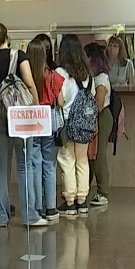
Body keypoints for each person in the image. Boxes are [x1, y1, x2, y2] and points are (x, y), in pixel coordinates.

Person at [0, 22, 45, 228]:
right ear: (8, 37)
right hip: (22, 117)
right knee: (24, 166)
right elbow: (30, 83)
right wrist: (36, 109)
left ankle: (0, 217)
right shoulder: (19, 56)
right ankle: (29, 215)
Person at [56, 35, 105, 217]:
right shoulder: (88, 74)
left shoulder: (61, 73)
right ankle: (82, 201)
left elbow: (60, 101)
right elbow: (91, 97)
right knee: (82, 161)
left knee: (67, 161)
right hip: (85, 125)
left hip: (68, 124)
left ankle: (70, 202)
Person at [27, 36, 65, 221]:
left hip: (32, 118)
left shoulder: (25, 75)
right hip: (49, 118)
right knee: (50, 164)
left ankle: (37, 207)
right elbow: (61, 102)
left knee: (35, 163)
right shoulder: (53, 76)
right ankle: (51, 207)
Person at [85, 41, 113, 208]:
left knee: (98, 155)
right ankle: (85, 189)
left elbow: (99, 104)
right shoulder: (93, 77)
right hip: (95, 117)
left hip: (101, 117)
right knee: (90, 155)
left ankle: (103, 192)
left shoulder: (101, 78)